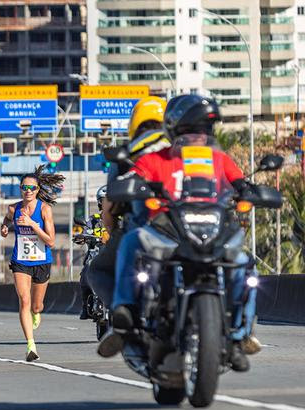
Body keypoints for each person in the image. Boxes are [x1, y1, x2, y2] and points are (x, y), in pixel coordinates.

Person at [97, 95, 255, 372]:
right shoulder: (155, 159)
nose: (197, 137)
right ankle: (124, 310)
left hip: (212, 230)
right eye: (189, 132)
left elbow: (241, 184)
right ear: (173, 131)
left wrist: (253, 192)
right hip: (169, 232)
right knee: (131, 241)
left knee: (244, 263)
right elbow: (130, 180)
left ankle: (240, 336)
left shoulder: (220, 160)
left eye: (204, 131)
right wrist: (127, 186)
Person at [86, 96, 169, 314]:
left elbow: (110, 207)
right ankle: (239, 329)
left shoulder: (126, 156)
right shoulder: (183, 151)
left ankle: (122, 312)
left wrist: (113, 232)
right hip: (190, 229)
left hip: (143, 230)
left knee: (97, 270)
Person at [1, 165, 64, 362]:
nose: (28, 191)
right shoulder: (14, 208)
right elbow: (8, 218)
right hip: (20, 261)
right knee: (24, 300)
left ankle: (37, 313)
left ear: (38, 190)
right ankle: (31, 345)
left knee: (36, 306)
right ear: (20, 189)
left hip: (41, 261)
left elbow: (51, 241)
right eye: (24, 188)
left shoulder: (44, 209)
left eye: (32, 188)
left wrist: (33, 225)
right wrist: (5, 226)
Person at [78, 187, 107, 320]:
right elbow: (84, 232)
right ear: (99, 203)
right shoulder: (93, 220)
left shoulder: (121, 220)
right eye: (104, 201)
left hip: (114, 256)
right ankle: (85, 306)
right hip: (95, 256)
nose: (107, 203)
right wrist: (81, 237)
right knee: (85, 274)